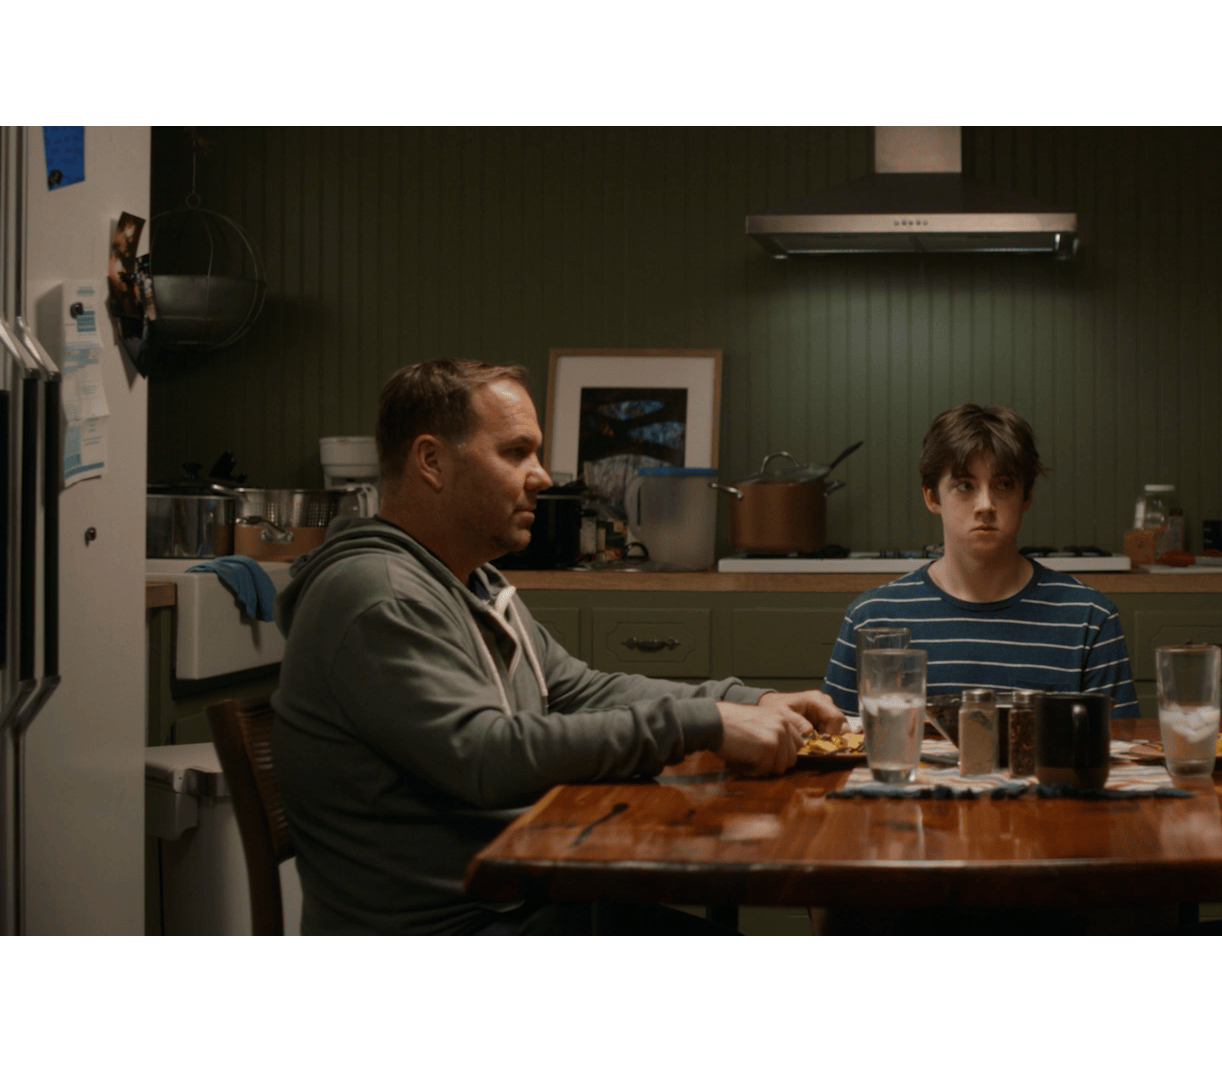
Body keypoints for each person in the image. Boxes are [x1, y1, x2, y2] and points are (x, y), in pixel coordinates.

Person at [272, 359, 843, 936]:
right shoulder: (379, 596)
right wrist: (706, 722)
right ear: (431, 461)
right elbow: (486, 757)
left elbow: (581, 690)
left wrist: (748, 700)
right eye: (516, 452)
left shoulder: (471, 582)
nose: (542, 476)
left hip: (521, 899)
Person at [823, 404, 1137, 716]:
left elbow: (1122, 752)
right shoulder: (872, 619)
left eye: (1003, 485)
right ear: (932, 497)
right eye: (964, 485)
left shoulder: (1089, 617)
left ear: (1026, 496)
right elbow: (835, 744)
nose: (985, 504)